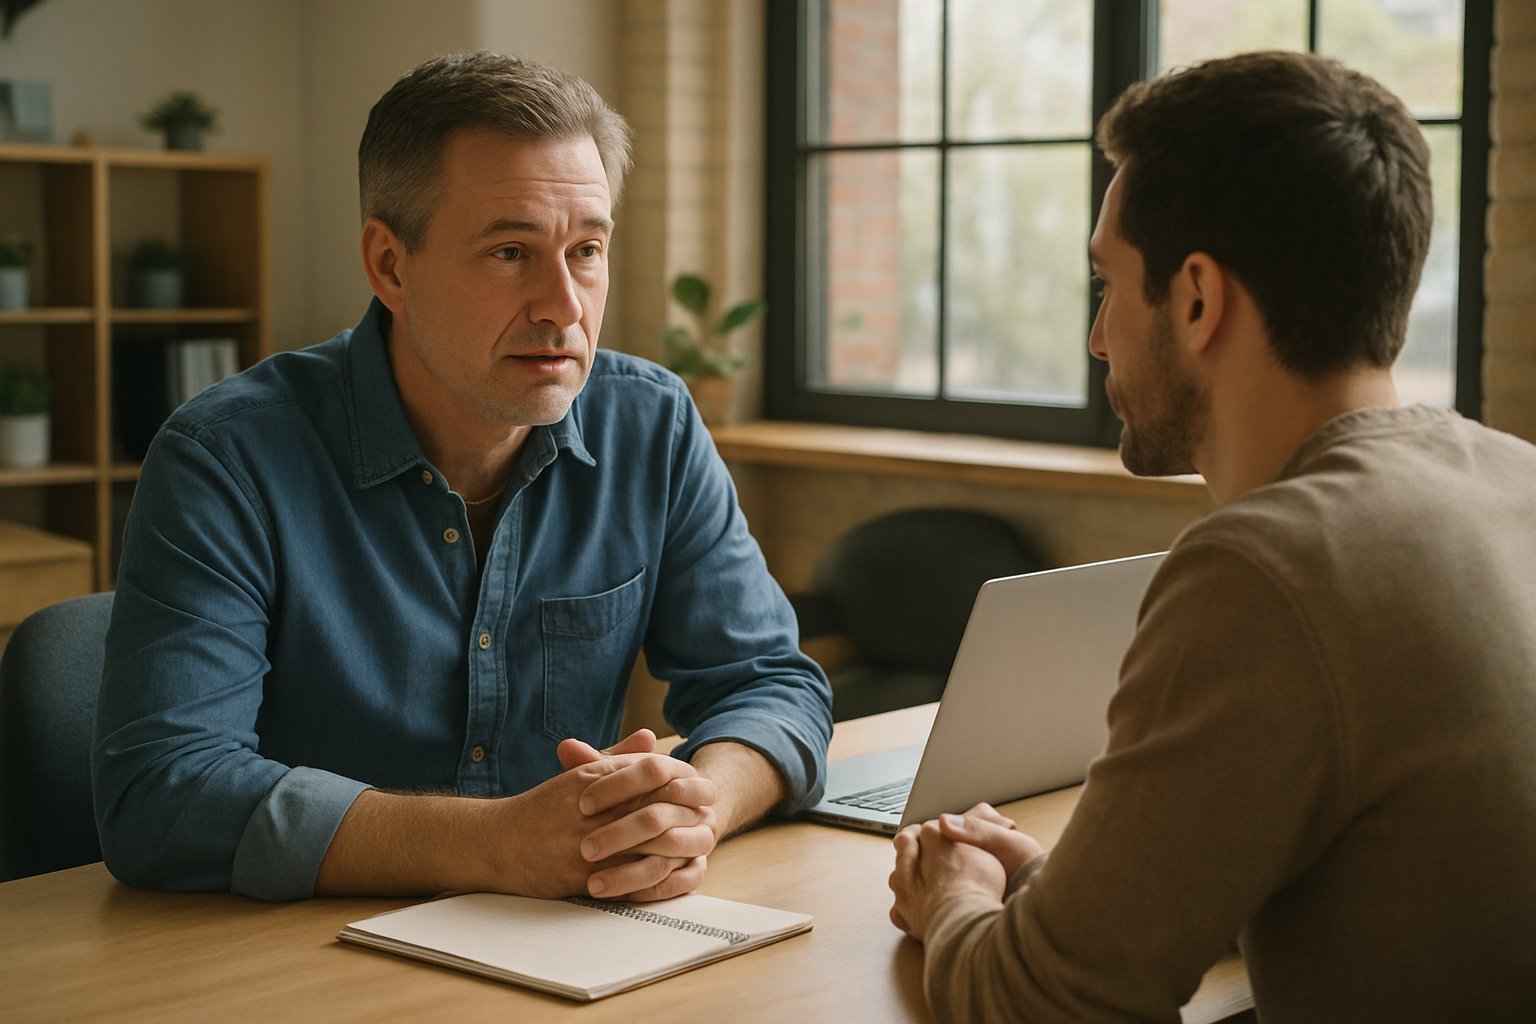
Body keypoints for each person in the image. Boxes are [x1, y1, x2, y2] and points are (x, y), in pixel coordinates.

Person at [92, 52, 832, 904]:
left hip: (572, 937)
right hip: (298, 949)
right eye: (511, 252)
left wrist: (697, 808)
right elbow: (161, 791)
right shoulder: (225, 458)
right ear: (390, 265)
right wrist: (492, 845)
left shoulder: (651, 424)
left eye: (586, 250)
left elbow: (771, 684)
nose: (563, 305)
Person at [888, 50, 1536, 1022]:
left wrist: (951, 894)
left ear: (1196, 299)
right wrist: (1046, 887)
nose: (1098, 337)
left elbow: (1042, 1005)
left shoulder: (1267, 567)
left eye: (1106, 285)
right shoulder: (1513, 478)